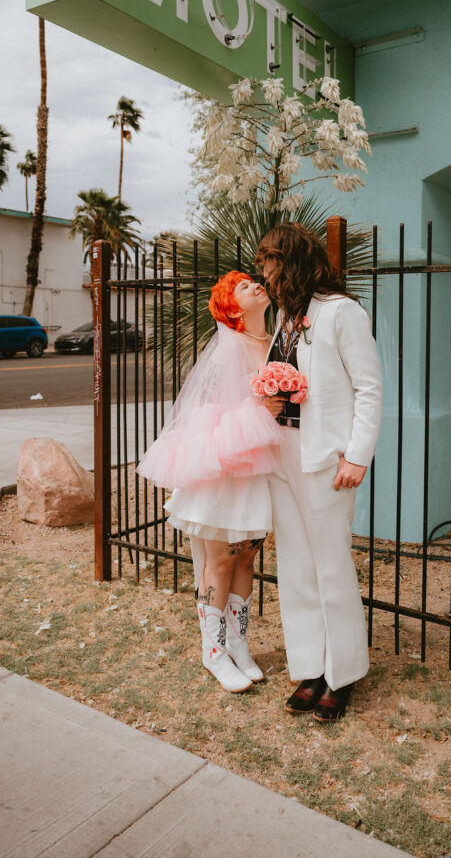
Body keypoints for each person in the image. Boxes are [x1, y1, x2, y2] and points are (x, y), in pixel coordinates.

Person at [255, 222, 383, 722]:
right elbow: (282, 382)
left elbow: (369, 388)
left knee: (331, 566)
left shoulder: (341, 313)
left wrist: (357, 455)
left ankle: (342, 674)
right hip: (282, 455)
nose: (262, 269)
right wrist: (266, 396)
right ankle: (309, 667)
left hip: (326, 458)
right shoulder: (286, 315)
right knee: (295, 566)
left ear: (290, 261)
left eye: (268, 260)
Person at [137, 271, 284, 693]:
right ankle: (214, 651)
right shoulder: (228, 348)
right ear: (232, 308)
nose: (256, 285)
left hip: (258, 466)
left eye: (255, 281)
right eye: (243, 286)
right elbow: (212, 410)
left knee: (247, 558)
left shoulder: (274, 340)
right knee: (219, 560)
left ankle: (238, 644)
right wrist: (264, 412)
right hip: (225, 464)